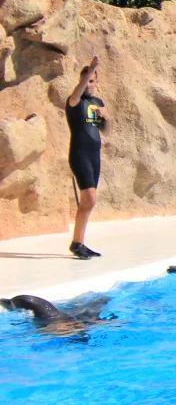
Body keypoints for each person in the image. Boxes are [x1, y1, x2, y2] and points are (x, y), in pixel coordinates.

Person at [64, 56, 107, 259]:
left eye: (92, 80)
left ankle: (80, 242)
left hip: (94, 156)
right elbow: (77, 92)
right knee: (88, 198)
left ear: (97, 82)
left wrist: (106, 118)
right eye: (85, 80)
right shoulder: (74, 101)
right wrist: (90, 70)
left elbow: (105, 130)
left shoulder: (97, 102)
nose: (88, 84)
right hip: (79, 154)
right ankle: (76, 243)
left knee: (90, 202)